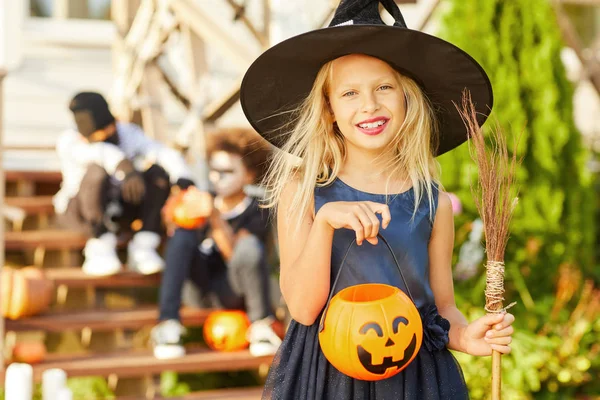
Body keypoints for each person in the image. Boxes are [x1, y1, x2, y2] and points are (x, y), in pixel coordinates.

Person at [239, 0, 515, 399]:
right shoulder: (303, 191)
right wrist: (325, 222)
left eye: (384, 87)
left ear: (407, 98)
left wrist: (465, 337)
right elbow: (301, 309)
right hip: (326, 377)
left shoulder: (431, 202)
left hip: (416, 375)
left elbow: (442, 309)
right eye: (350, 93)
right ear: (329, 110)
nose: (369, 105)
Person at [151, 127, 282, 360]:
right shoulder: (201, 201)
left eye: (228, 171)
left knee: (249, 248)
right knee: (181, 235)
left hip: (236, 290)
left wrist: (214, 218)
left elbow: (240, 257)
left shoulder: (258, 209)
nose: (217, 177)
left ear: (249, 175)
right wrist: (171, 212)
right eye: (214, 170)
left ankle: (261, 324)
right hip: (199, 290)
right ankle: (168, 323)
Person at [54, 92, 195, 276]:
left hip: (119, 207)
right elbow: (97, 153)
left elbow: (158, 150)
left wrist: (182, 176)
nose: (104, 136)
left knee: (158, 174)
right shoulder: (69, 142)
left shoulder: (128, 133)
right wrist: (126, 168)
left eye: (107, 131)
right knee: (96, 172)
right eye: (97, 136)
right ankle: (99, 248)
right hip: (81, 212)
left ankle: (144, 245)